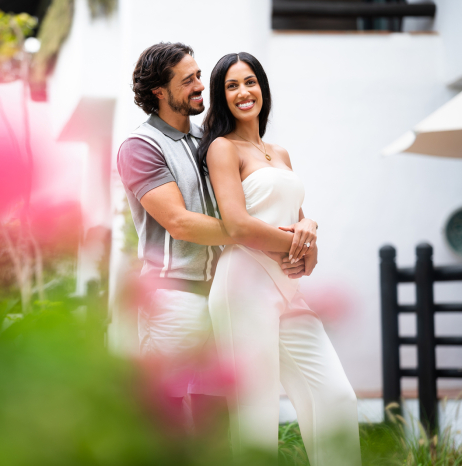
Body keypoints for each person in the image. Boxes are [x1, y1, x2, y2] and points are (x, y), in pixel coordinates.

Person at [117, 42, 315, 432]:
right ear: (160, 91)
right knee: (169, 426)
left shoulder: (209, 140)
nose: (200, 86)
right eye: (188, 80)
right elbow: (180, 222)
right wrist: (269, 237)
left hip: (222, 298)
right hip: (174, 299)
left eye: (198, 75)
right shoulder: (140, 147)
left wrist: (302, 226)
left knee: (220, 425)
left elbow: (255, 203)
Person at [198, 52, 361, 465]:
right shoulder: (222, 148)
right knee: (256, 416)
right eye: (231, 86)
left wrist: (311, 233)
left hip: (289, 290)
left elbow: (303, 245)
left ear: (262, 88)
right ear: (221, 97)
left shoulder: (280, 153)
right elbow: (235, 225)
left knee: (337, 397)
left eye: (249, 82)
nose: (243, 92)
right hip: (243, 285)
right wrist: (295, 243)